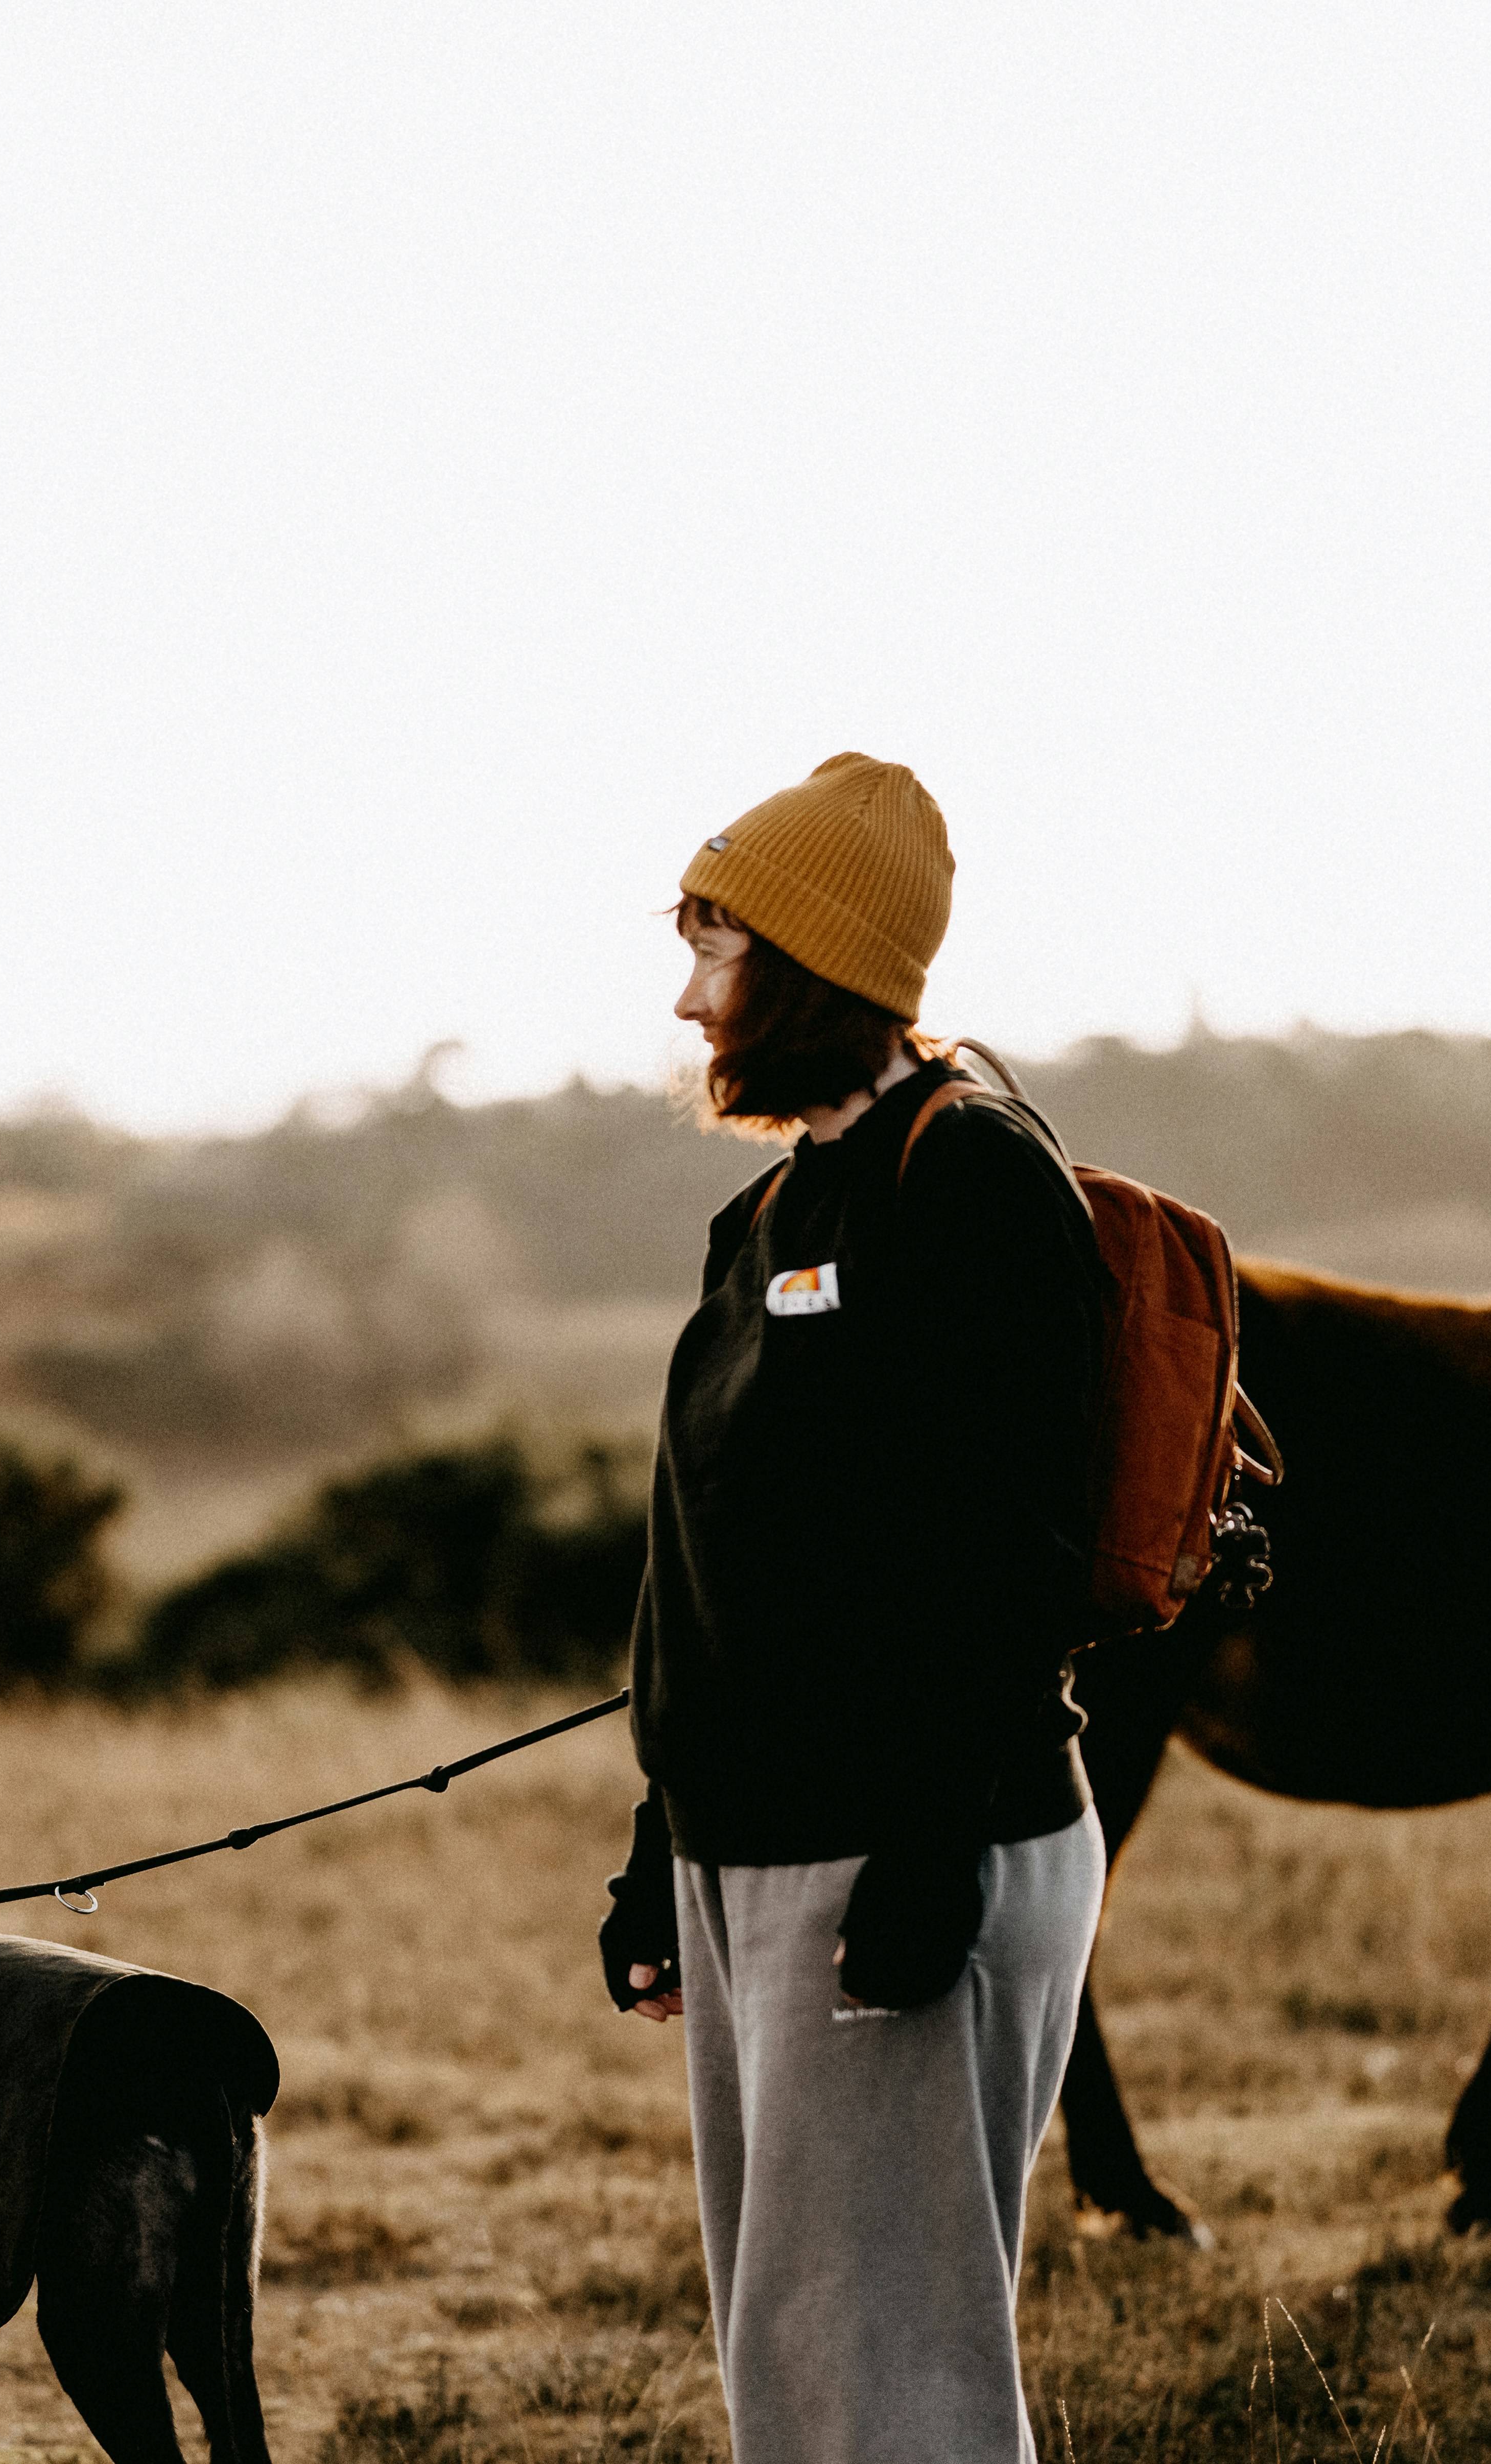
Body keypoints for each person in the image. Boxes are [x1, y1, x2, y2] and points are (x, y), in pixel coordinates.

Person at [598, 752, 1110, 2463]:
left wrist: (927, 1848)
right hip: (748, 1846)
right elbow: (715, 1550)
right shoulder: (762, 1215)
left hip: (905, 1847)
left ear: (812, 967)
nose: (686, 999)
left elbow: (1014, 1550)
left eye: (715, 949)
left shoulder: (966, 1177)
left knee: (888, 2383)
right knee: (799, 2363)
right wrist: (658, 1842)